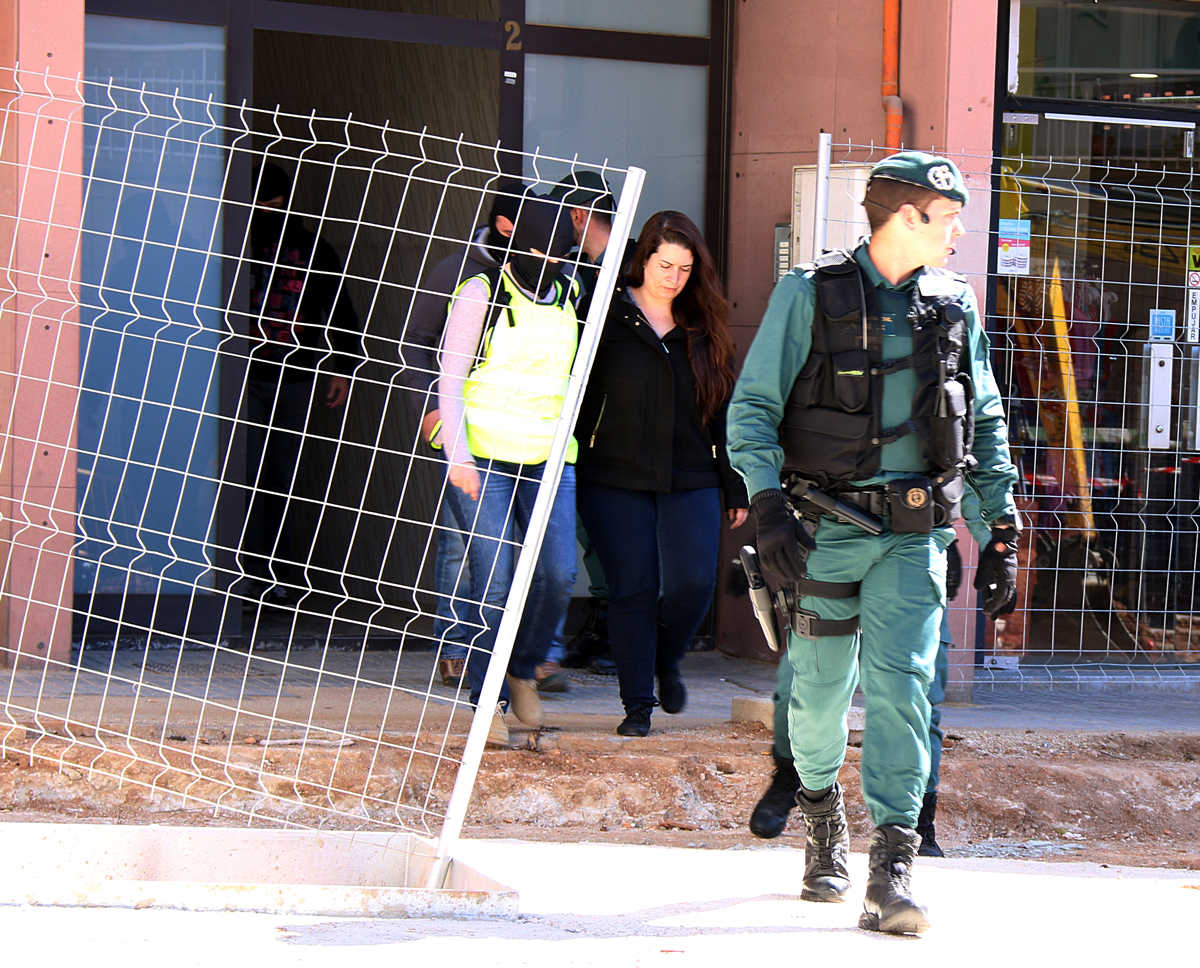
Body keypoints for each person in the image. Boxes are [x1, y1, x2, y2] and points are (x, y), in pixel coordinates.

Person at [728, 151, 1019, 936]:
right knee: (818, 697)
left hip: (913, 539)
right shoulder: (807, 296)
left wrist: (1001, 534)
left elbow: (985, 422)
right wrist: (768, 510)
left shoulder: (954, 306)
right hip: (820, 531)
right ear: (907, 217)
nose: (961, 230)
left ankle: (893, 864)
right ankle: (823, 820)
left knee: (904, 689)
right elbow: (751, 410)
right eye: (949, 215)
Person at [575, 211, 748, 738]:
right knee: (632, 588)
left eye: (684, 268)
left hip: (692, 473)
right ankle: (638, 705)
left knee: (694, 582)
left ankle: (667, 658)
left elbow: (724, 410)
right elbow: (578, 392)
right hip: (613, 474)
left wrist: (733, 480)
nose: (673, 277)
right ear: (643, 259)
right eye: (664, 265)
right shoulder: (604, 313)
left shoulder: (702, 326)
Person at [438, 191, 580, 741]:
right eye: (542, 252)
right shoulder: (481, 292)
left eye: (560, 255)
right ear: (509, 235)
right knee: (493, 580)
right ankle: (487, 698)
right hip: (485, 458)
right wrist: (458, 455)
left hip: (550, 456)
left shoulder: (570, 293)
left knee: (557, 573)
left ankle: (522, 669)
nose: (551, 263)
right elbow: (450, 377)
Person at [747, 538, 963, 854]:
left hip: (913, 537)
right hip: (831, 537)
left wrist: (994, 541)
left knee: (919, 696)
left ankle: (917, 823)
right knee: (801, 685)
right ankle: (791, 778)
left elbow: (977, 489)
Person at [403, 181, 522, 688]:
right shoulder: (459, 271)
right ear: (505, 227)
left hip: (521, 430)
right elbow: (414, 340)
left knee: (513, 545)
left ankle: (510, 655)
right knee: (460, 543)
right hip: (460, 427)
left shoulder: (546, 279)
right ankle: (455, 648)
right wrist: (429, 408)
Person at [241, 162, 362, 603]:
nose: (268, 212)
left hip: (289, 373)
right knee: (254, 474)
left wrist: (341, 367)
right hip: (246, 373)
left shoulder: (310, 248)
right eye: (264, 204)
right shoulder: (238, 238)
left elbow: (337, 308)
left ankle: (263, 576)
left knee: (273, 478)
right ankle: (245, 575)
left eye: (274, 205)